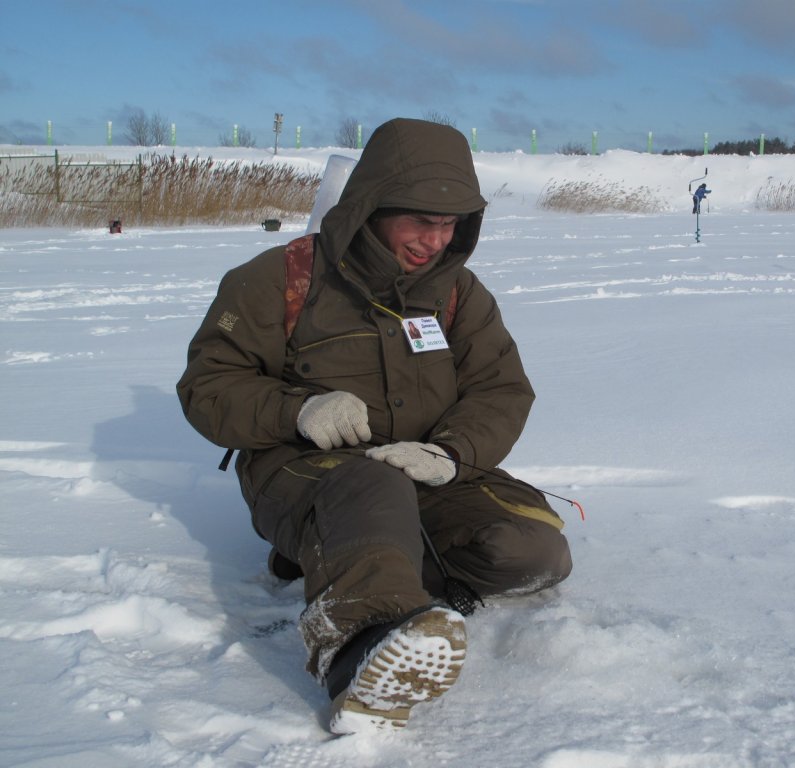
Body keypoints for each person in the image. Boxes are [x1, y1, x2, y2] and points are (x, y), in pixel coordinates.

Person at [176, 118, 573, 735]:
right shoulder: (277, 280)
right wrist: (297, 411)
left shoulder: (459, 295)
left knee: (532, 551)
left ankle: (341, 556)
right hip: (307, 473)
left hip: (421, 467)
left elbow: (501, 389)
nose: (435, 240)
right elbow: (207, 388)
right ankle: (359, 653)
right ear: (370, 207)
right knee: (372, 489)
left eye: (451, 225)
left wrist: (450, 453)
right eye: (419, 220)